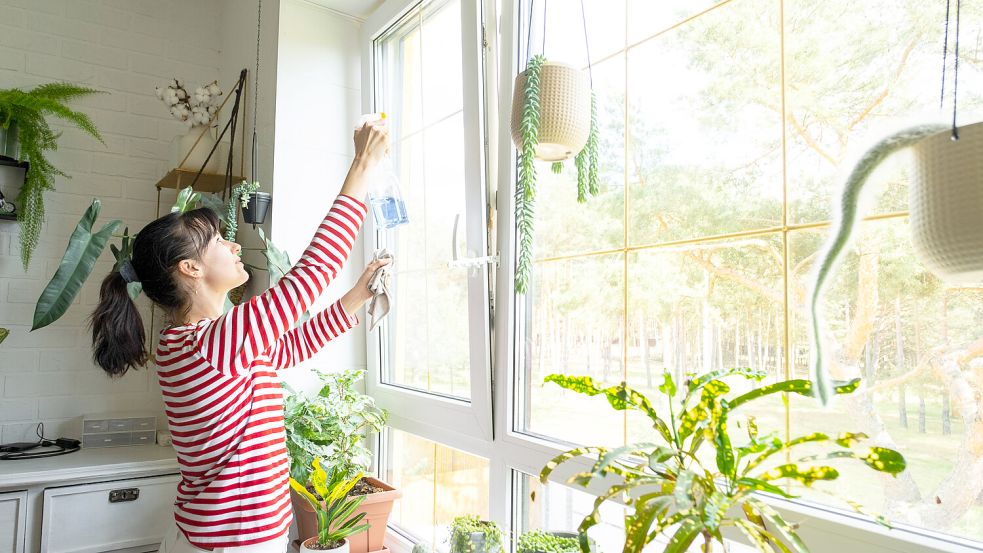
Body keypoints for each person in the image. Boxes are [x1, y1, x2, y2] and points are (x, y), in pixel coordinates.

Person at [89, 121, 391, 552]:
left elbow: (286, 349)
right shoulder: (208, 343)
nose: (233, 246)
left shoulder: (197, 342)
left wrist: (357, 296)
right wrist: (364, 163)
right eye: (217, 242)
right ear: (190, 268)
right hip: (231, 544)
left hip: (216, 539)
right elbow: (313, 272)